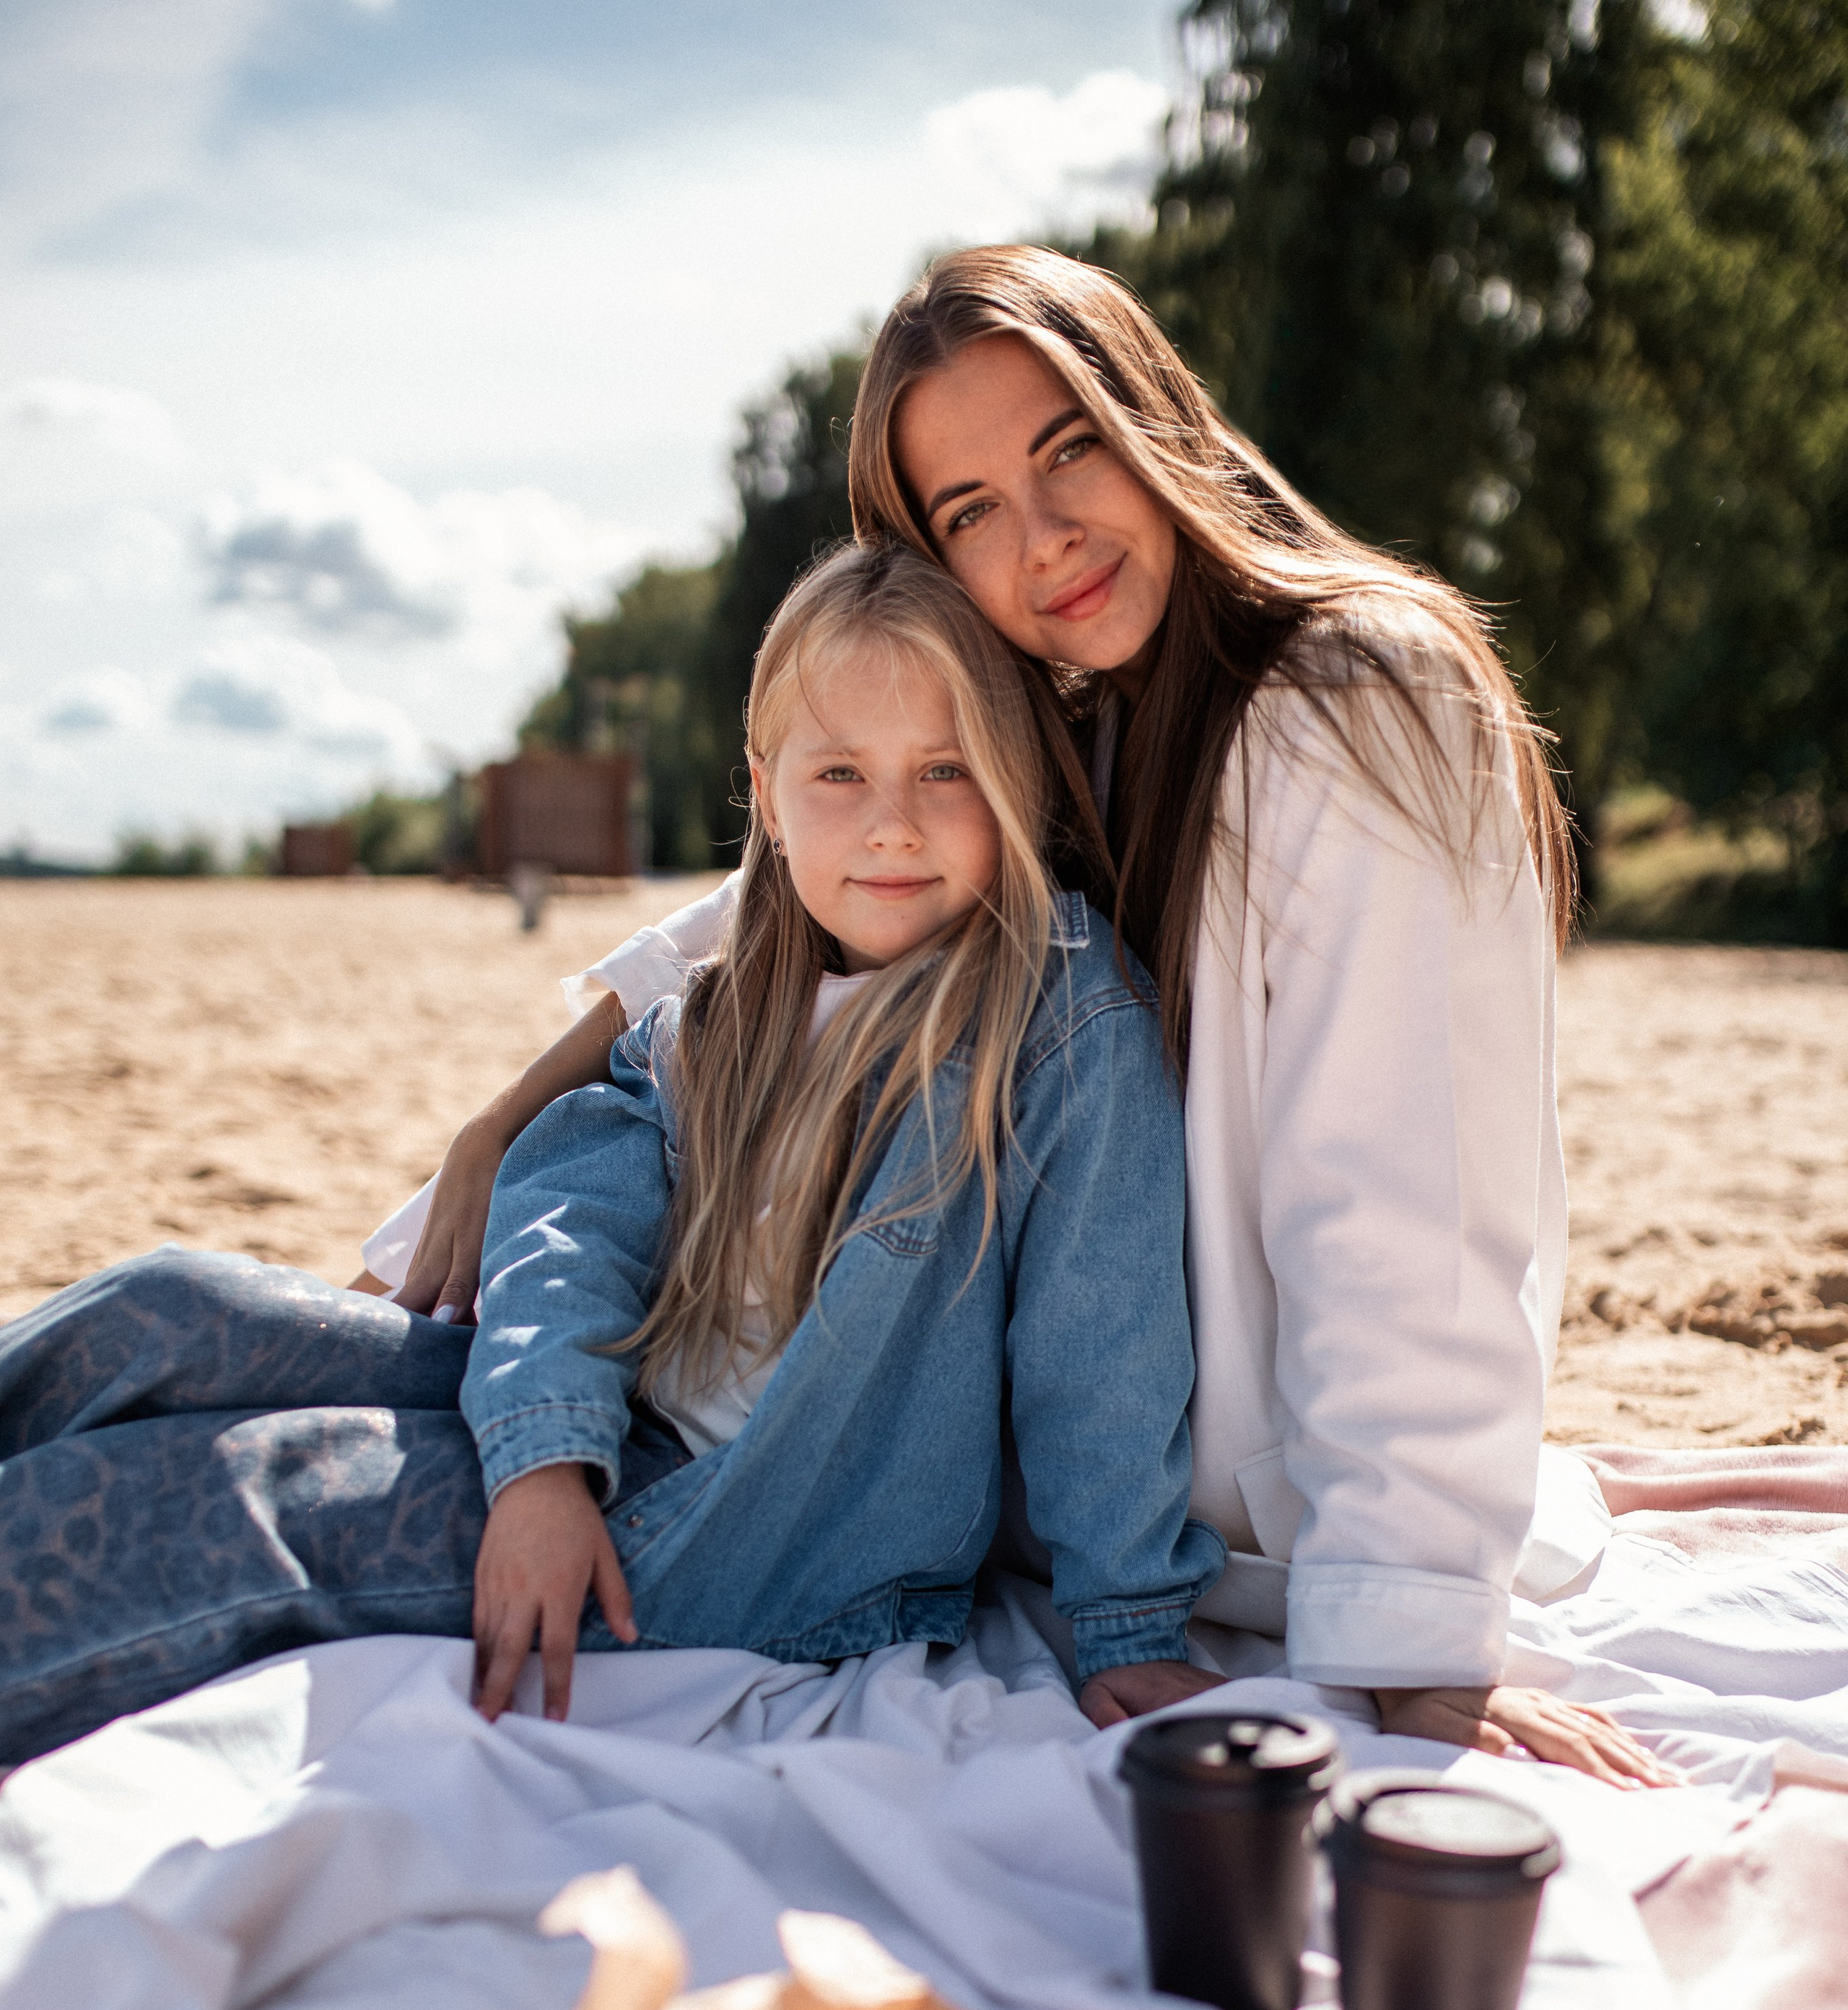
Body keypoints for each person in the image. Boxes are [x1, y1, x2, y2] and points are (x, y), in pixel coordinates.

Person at [366, 245, 1666, 1793]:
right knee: (361, 1399)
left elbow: (1403, 1193)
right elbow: (777, 901)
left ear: (1156, 420)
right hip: (999, 1467)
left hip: (1226, 1489)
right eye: (969, 512)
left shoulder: (1357, 698)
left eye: (1069, 452)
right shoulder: (1048, 716)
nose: (1042, 540)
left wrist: (1415, 1644)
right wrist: (503, 1120)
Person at [0, 546, 1221, 1766]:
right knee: (172, 1305)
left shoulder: (1054, 1015)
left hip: (746, 1538)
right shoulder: (722, 1009)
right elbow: (571, 1215)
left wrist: (1125, 1622)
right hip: (605, 1423)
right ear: (768, 789)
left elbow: (1100, 1341)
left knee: (235, 1499)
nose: (894, 822)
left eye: (945, 769)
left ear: (1011, 779)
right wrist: (545, 1457)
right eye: (840, 770)